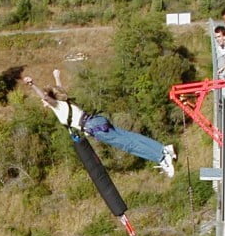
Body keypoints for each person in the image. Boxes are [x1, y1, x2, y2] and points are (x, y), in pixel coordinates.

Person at [23, 70, 176, 177]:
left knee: (128, 145)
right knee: (130, 136)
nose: (43, 103)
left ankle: (161, 158)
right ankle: (163, 149)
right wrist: (56, 76)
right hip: (97, 120)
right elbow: (58, 90)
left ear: (49, 100)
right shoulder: (64, 101)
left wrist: (32, 85)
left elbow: (45, 96)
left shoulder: (57, 106)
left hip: (94, 128)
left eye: (44, 101)